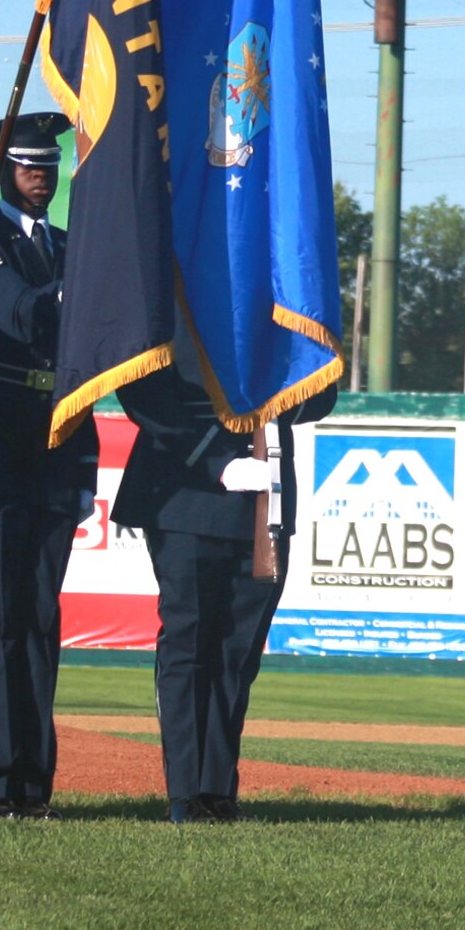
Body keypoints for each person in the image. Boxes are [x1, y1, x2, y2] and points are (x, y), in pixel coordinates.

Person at [112, 336, 335, 823]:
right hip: (186, 495)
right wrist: (216, 460)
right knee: (190, 643)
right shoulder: (172, 296)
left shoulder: (281, 313)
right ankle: (186, 793)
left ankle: (217, 790)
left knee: (238, 652)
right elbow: (141, 389)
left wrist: (303, 355)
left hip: (264, 501)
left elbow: (321, 396)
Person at [0, 113, 98, 818]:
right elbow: (23, 319)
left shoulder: (71, 246)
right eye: (29, 165)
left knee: (40, 617)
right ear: (3, 171)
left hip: (58, 446)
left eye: (48, 165)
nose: (41, 175)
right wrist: (90, 288)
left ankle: (35, 780)